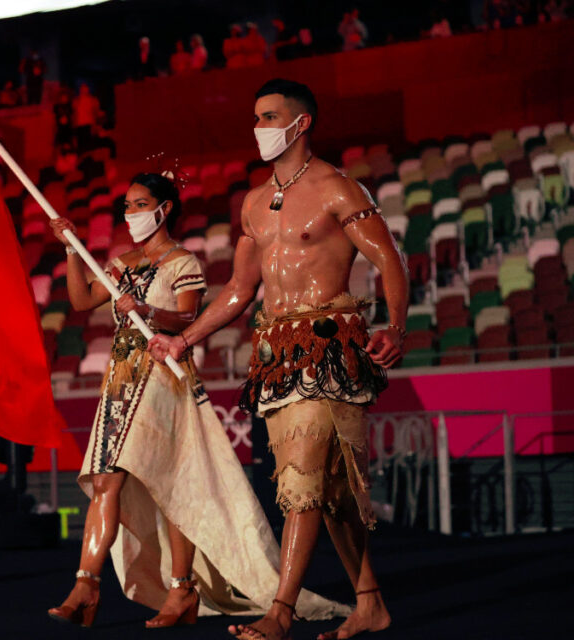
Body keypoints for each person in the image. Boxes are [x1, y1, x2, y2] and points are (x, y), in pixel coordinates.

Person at [149, 78, 406, 640]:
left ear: (301, 122)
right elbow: (240, 293)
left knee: (303, 480)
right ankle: (370, 604)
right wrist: (184, 339)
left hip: (330, 348)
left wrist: (397, 326)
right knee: (330, 491)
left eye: (269, 117)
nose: (259, 128)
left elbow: (389, 260)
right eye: (256, 118)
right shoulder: (252, 204)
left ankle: (280, 612)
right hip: (277, 357)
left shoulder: (340, 190)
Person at [47, 171, 350, 630]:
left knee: (168, 483)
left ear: (164, 209)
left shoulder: (183, 261)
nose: (131, 214)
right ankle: (86, 584)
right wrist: (71, 249)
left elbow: (187, 314)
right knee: (106, 478)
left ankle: (181, 589)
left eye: (139, 204)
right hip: (120, 381)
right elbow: (81, 300)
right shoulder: (120, 262)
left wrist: (147, 310)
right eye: (126, 206)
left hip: (163, 377)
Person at [71, 83, 101, 152]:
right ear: (80, 90)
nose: (84, 91)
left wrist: (95, 125)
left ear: (88, 90)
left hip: (89, 124)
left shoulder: (92, 100)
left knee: (89, 145)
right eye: (82, 89)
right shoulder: (76, 101)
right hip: (79, 125)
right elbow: (74, 113)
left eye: (85, 89)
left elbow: (96, 113)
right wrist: (74, 125)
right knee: (80, 144)